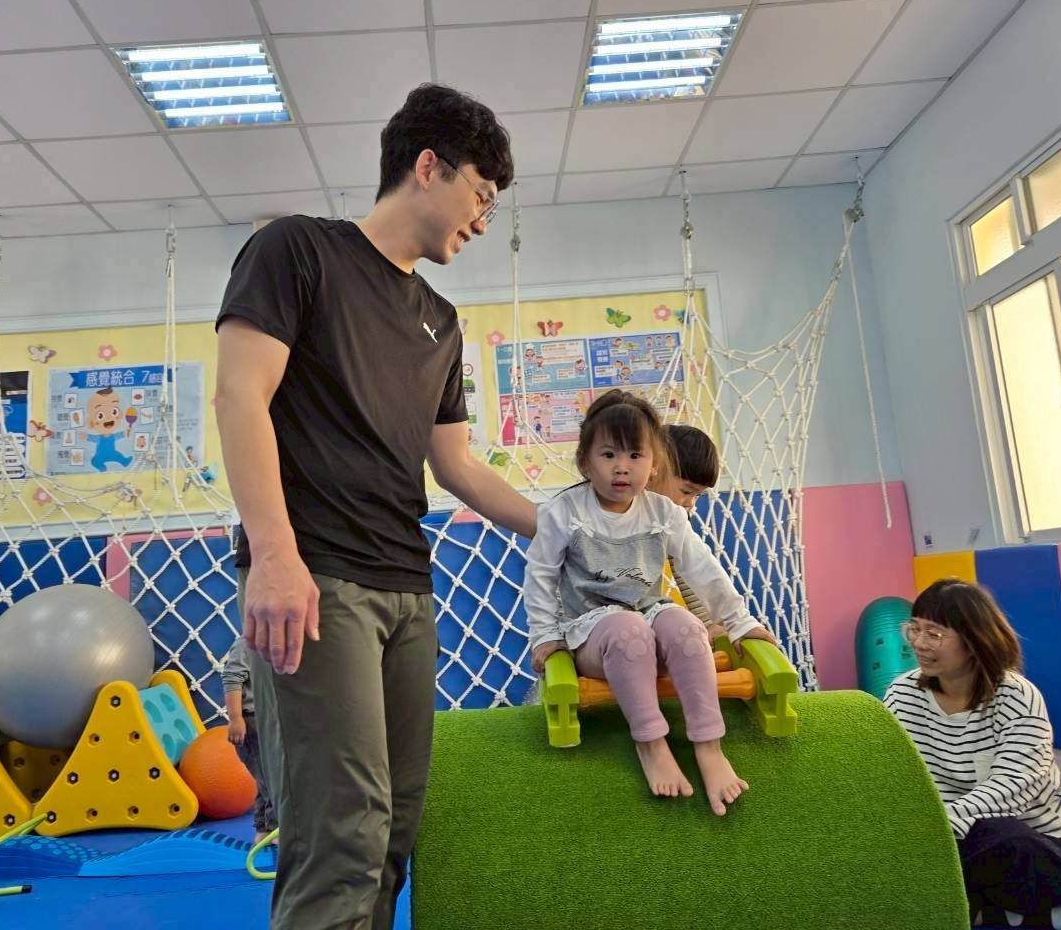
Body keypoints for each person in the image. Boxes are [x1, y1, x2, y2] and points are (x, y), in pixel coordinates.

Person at [215, 83, 537, 930]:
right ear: (428, 167)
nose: (483, 220)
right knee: (341, 837)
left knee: (394, 831)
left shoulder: (441, 320)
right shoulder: (295, 250)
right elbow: (240, 396)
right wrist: (273, 555)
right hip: (317, 579)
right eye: (480, 195)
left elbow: (456, 465)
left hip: (406, 587)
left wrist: (569, 528)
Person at [523, 389, 757, 813]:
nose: (622, 467)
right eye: (608, 454)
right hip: (593, 634)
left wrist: (740, 622)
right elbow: (540, 575)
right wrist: (544, 636)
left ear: (654, 464)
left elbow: (704, 570)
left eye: (635, 455)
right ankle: (651, 743)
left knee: (686, 627)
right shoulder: (564, 512)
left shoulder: (665, 513)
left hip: (647, 618)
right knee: (628, 630)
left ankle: (709, 746)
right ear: (585, 462)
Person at [884, 580, 1061, 930]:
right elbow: (891, 774)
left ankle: (974, 906)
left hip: (1028, 842)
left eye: (934, 634)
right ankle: (1025, 917)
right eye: (914, 628)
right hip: (943, 841)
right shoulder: (902, 695)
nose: (918, 642)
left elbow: (1013, 788)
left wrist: (933, 829)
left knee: (999, 836)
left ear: (974, 640)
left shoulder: (1016, 696)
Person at [648, 424, 780, 651]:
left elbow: (697, 568)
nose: (691, 503)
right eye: (686, 491)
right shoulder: (610, 511)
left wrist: (728, 622)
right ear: (653, 470)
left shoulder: (670, 518)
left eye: (697, 496)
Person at [221, 632, 277, 843]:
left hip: (268, 719)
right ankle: (275, 829)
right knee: (272, 779)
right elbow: (232, 679)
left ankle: (264, 830)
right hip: (252, 720)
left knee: (266, 778)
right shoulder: (246, 643)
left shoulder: (273, 641)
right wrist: (236, 719)